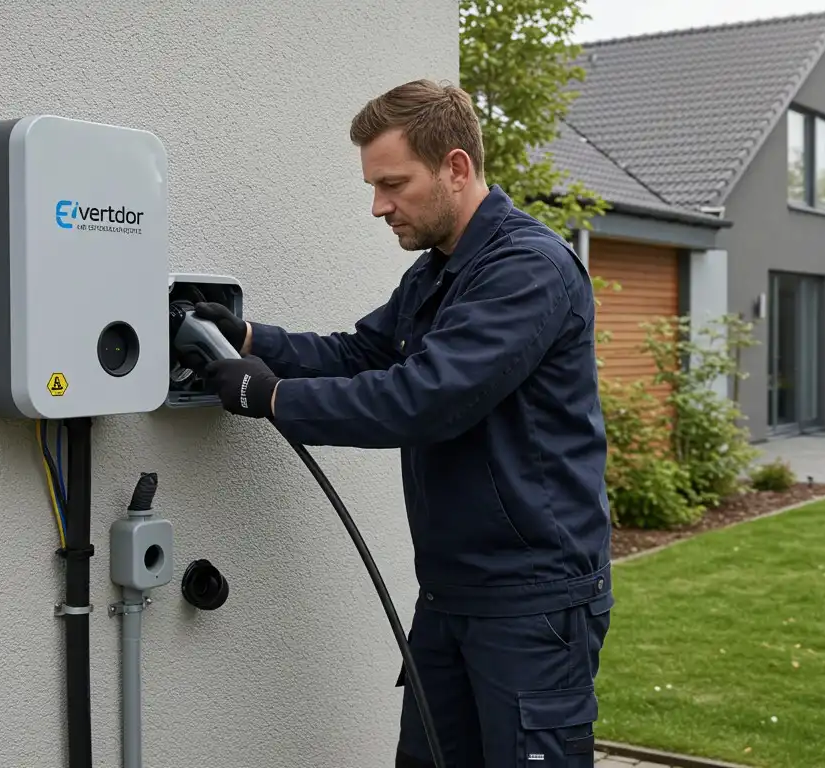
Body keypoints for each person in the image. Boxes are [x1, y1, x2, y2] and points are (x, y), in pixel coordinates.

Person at [195, 78, 613, 767]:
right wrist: (249, 340)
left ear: (455, 166)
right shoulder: (439, 272)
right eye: (374, 185)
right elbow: (360, 353)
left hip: (531, 603)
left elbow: (426, 398)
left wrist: (272, 400)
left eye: (393, 183)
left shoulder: (527, 270)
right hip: (452, 593)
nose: (378, 206)